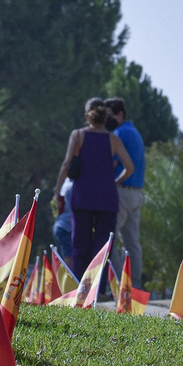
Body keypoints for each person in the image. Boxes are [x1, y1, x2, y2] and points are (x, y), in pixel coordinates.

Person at [54, 98, 135, 277]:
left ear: (88, 117)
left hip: (82, 195)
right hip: (107, 197)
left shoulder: (78, 135)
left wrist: (57, 189)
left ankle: (80, 286)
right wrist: (115, 182)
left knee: (80, 243)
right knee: (103, 245)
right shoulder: (113, 140)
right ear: (105, 118)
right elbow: (130, 167)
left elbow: (67, 163)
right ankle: (99, 289)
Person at [104, 97, 145, 278]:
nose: (107, 119)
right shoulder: (134, 132)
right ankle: (134, 286)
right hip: (136, 194)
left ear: (120, 114)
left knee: (108, 239)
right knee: (132, 244)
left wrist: (112, 183)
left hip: (122, 192)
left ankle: (120, 284)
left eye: (110, 115)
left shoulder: (120, 133)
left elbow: (111, 164)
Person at [52, 178, 75, 266]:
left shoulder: (65, 183)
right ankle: (71, 279)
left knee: (68, 258)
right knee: (70, 261)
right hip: (67, 227)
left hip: (60, 225)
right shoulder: (73, 185)